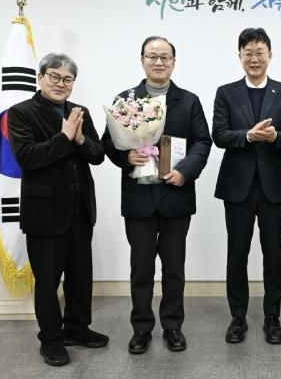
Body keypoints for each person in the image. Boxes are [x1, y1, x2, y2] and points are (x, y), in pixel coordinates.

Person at [102, 36, 212, 355]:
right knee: (141, 268)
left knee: (174, 268)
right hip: (139, 200)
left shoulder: (188, 101)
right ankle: (141, 328)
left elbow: (202, 142)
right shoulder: (125, 99)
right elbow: (108, 142)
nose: (159, 62)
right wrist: (127, 157)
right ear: (142, 61)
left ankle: (173, 326)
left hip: (176, 195)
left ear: (173, 62)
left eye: (165, 56)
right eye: (153, 56)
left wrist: (185, 171)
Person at [7, 53, 108, 367]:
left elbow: (98, 154)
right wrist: (64, 138)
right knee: (48, 282)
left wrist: (79, 140)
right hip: (44, 213)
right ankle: (51, 339)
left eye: (67, 79)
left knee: (80, 276)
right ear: (40, 77)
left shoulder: (80, 112)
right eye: (54, 76)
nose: (61, 83)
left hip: (80, 210)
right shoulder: (21, 113)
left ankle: (77, 328)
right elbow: (28, 157)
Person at [212, 27, 281, 345]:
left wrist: (275, 137)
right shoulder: (226, 92)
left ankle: (272, 318)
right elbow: (219, 134)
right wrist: (248, 135)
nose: (254, 58)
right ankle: (238, 318)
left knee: (273, 255)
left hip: (275, 186)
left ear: (270, 55)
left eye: (260, 52)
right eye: (248, 53)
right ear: (240, 56)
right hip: (238, 187)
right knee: (237, 254)